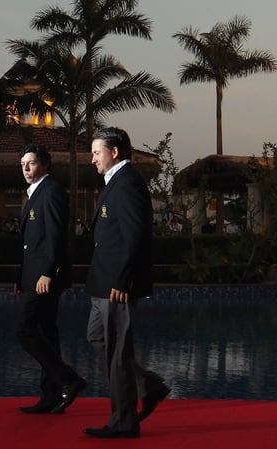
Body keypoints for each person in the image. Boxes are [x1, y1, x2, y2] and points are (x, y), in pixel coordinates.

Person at [84, 128, 170, 439]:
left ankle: (124, 421)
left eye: (97, 152)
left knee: (118, 354)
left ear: (115, 152)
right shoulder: (116, 183)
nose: (92, 159)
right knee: (97, 337)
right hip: (103, 283)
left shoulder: (128, 183)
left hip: (116, 284)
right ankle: (150, 385)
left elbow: (136, 236)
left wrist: (123, 280)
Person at [15, 144, 86, 415]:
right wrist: (21, 278)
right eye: (22, 163)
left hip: (45, 276)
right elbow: (30, 244)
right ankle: (52, 396)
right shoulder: (35, 194)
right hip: (33, 276)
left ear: (45, 165)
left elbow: (56, 236)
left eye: (31, 163)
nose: (25, 168)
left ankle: (69, 379)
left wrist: (48, 272)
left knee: (24, 330)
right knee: (46, 333)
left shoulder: (52, 191)